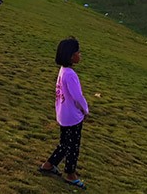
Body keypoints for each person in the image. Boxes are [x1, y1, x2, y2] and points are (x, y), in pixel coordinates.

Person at [39, 37, 89, 189]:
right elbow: (78, 97)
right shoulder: (71, 75)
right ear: (71, 56)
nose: (80, 55)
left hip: (63, 115)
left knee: (64, 143)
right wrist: (85, 110)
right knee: (72, 147)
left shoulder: (62, 71)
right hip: (73, 117)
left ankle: (49, 165)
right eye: (78, 52)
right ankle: (70, 174)